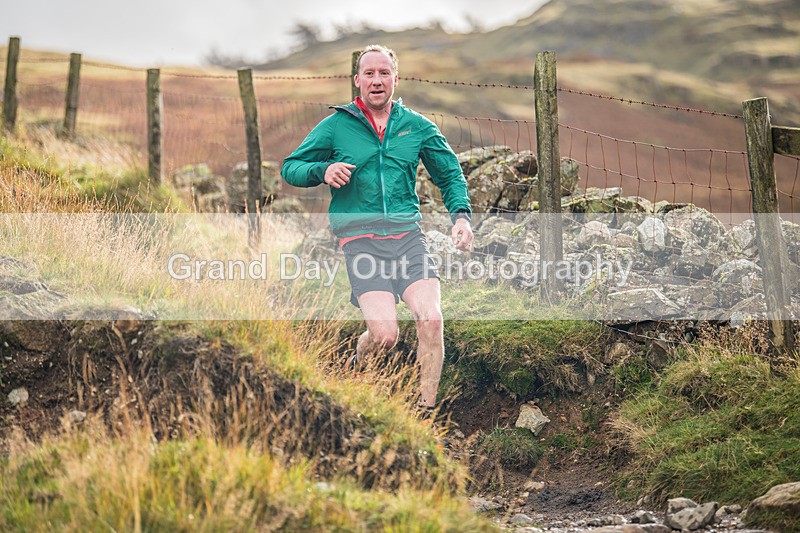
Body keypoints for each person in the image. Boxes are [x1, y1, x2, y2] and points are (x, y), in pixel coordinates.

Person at [281, 44, 473, 410]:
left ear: (395, 80)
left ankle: (426, 410)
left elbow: (450, 175)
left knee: (431, 320)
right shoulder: (337, 126)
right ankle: (358, 361)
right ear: (357, 81)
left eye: (384, 73)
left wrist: (461, 217)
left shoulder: (416, 127)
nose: (376, 80)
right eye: (369, 73)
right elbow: (291, 167)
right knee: (384, 336)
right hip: (361, 242)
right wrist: (322, 170)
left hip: (408, 239)